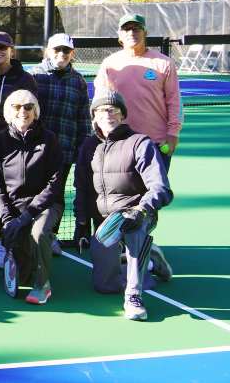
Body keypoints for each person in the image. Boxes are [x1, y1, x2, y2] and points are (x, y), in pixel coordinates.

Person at [73, 91, 174, 321]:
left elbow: (161, 188)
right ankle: (150, 260)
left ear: (122, 115)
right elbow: (82, 188)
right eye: (101, 110)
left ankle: (133, 296)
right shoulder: (88, 146)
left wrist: (141, 210)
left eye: (113, 110)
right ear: (94, 117)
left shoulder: (140, 143)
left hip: (136, 213)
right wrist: (81, 222)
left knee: (134, 231)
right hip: (106, 222)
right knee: (104, 286)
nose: (108, 115)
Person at [0, 89, 64, 305]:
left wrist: (29, 214)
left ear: (35, 111)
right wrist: (7, 220)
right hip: (15, 209)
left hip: (45, 206)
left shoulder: (49, 139)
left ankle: (43, 285)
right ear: (8, 112)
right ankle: (28, 263)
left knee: (38, 233)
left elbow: (54, 184)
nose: (23, 111)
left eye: (29, 107)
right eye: (17, 107)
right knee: (22, 276)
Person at [0, 31, 39, 270]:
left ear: (11, 50)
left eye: (2, 47)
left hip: (12, 149)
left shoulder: (25, 79)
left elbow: (33, 115)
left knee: (10, 196)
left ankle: (11, 243)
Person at [28, 32, 92, 257]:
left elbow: (84, 117)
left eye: (66, 51)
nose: (61, 54)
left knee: (56, 195)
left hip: (64, 151)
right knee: (32, 192)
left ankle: (50, 235)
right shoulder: (34, 76)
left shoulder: (79, 81)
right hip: (34, 151)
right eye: (57, 50)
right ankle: (30, 235)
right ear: (48, 51)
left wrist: (84, 150)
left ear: (71, 54)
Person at [95, 13, 183, 172]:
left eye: (136, 28)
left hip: (155, 142)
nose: (132, 33)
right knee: (123, 193)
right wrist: (100, 132)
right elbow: (100, 102)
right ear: (120, 36)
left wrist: (173, 134)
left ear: (145, 32)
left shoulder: (165, 63)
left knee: (157, 193)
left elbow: (174, 101)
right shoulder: (109, 64)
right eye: (126, 29)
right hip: (119, 141)